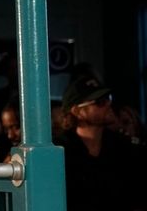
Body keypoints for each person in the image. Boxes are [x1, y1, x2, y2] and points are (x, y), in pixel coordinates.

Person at [56, 74, 147, 210]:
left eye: (108, 98)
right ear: (77, 111)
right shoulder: (60, 150)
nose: (108, 104)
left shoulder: (124, 147)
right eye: (100, 102)